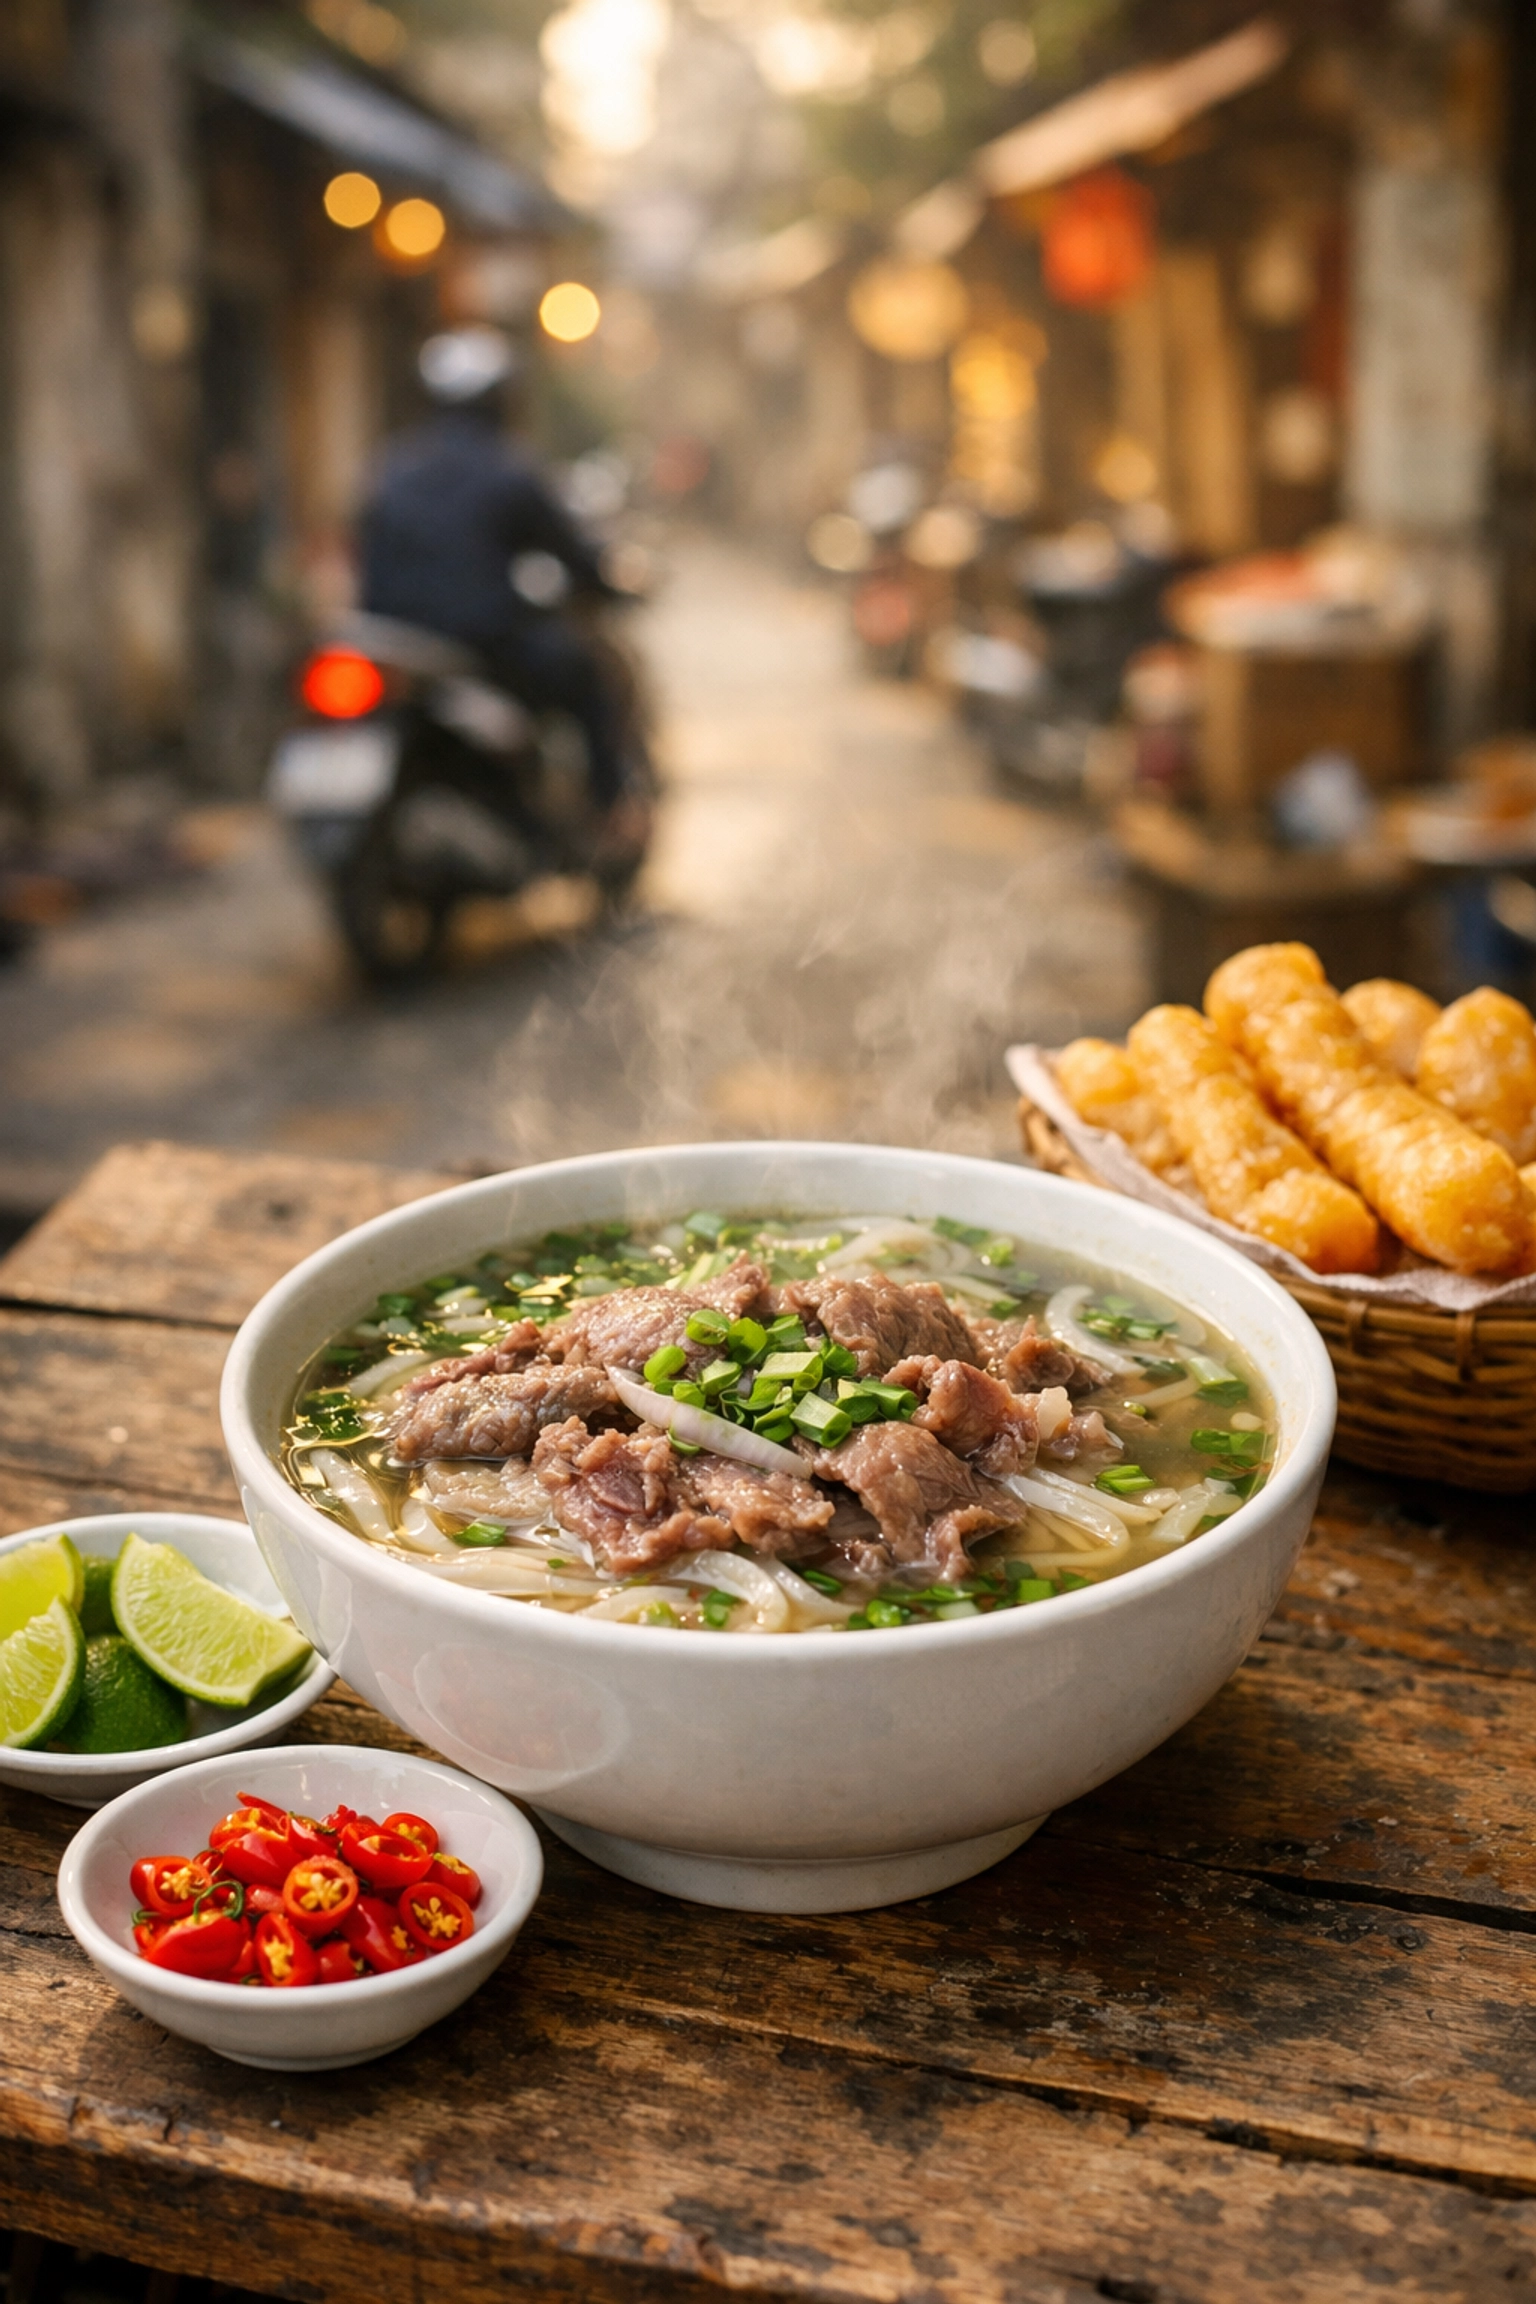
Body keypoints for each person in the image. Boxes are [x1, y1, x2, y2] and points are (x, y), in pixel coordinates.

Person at [357, 325, 645, 861]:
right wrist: (608, 585)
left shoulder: (392, 468)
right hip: (482, 642)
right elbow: (573, 556)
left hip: (389, 641)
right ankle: (611, 810)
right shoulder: (509, 471)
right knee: (586, 676)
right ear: (500, 398)